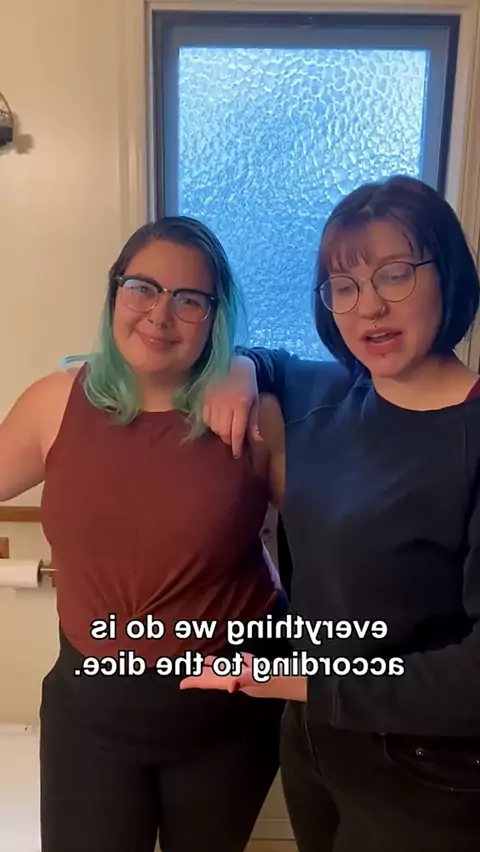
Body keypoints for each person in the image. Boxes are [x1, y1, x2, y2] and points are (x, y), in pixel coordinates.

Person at [180, 175, 480, 852]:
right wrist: (239, 369)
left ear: (448, 274)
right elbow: (269, 361)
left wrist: (305, 681)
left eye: (394, 274)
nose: (368, 306)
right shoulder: (328, 391)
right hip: (312, 743)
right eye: (343, 287)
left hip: (428, 771)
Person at [0, 216, 289, 852]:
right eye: (143, 288)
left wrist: (247, 365)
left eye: (190, 300)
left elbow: (339, 537)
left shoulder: (255, 416)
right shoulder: (54, 402)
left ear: (215, 317)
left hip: (229, 720)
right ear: (115, 293)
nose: (160, 315)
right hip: (90, 721)